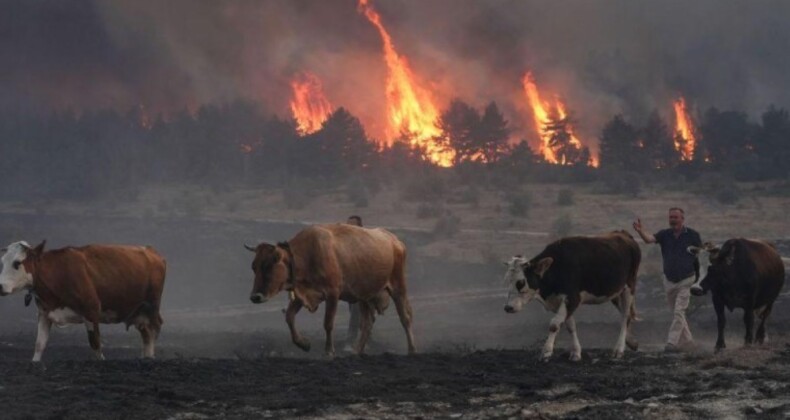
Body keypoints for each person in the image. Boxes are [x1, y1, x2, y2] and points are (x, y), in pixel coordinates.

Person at [633, 207, 702, 352]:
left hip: (686, 279)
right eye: (671, 217)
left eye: (675, 217)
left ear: (682, 219)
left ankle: (671, 343)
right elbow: (649, 239)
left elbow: (699, 254)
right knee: (677, 313)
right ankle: (689, 342)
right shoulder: (665, 234)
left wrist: (698, 277)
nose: (673, 220)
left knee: (678, 312)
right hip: (669, 280)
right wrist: (640, 231)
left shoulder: (693, 235)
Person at [345, 215, 363, 349]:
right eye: (348, 225)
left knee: (357, 310)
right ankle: (366, 337)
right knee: (355, 310)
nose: (349, 228)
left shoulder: (364, 242)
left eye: (352, 225)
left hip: (364, 283)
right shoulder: (345, 244)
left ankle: (351, 341)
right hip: (351, 284)